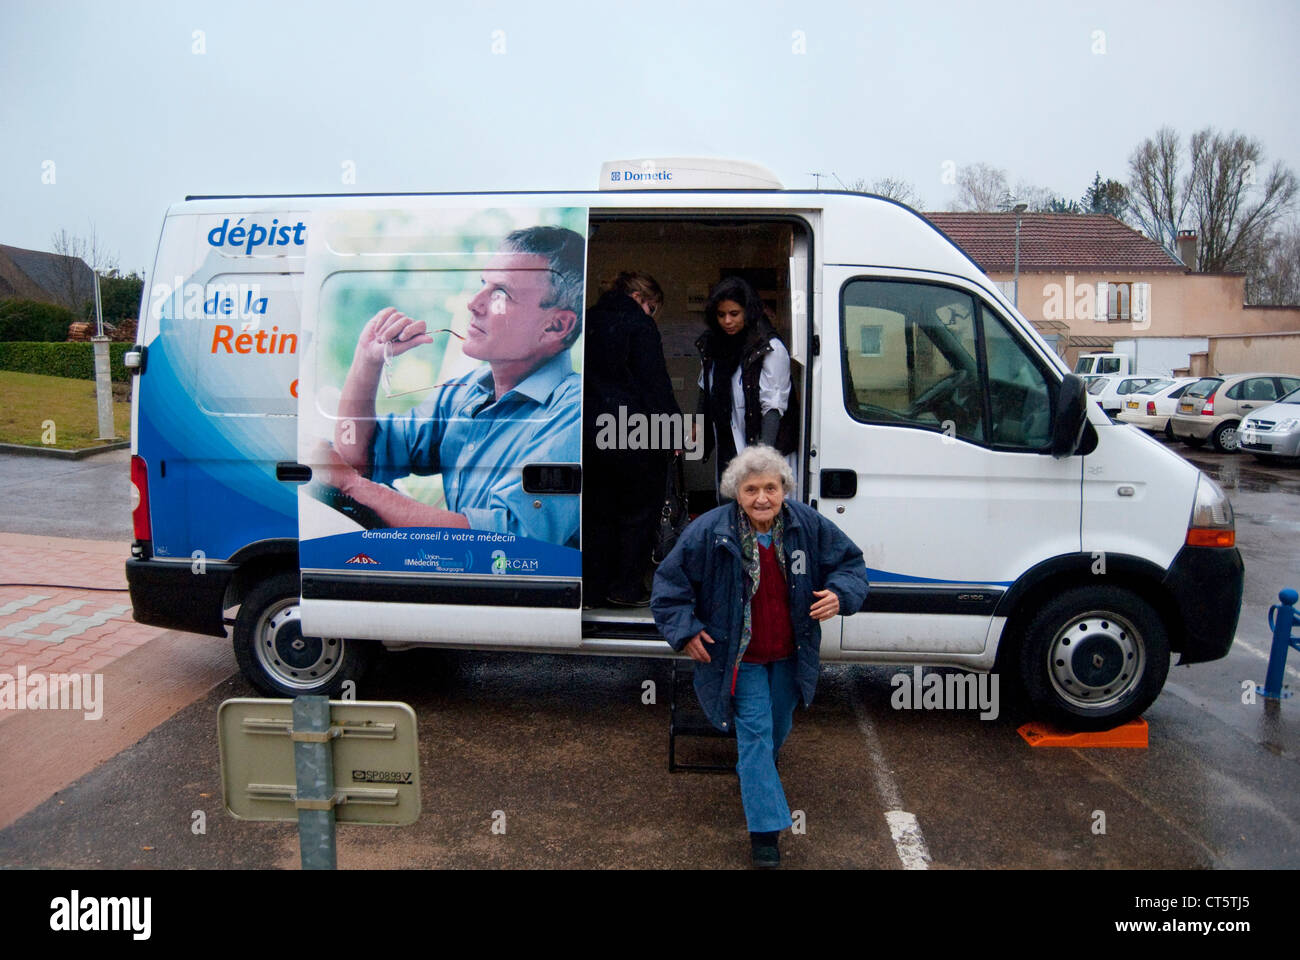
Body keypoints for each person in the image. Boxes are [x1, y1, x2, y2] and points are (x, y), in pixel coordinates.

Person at [650, 445, 869, 868]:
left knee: (776, 730)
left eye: (771, 487)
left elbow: (851, 564)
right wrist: (686, 630)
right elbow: (668, 587)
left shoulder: (806, 525)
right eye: (752, 490)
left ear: (784, 489)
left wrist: (840, 594)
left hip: (790, 654)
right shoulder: (711, 531)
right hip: (740, 657)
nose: (762, 498)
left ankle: (755, 777)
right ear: (737, 493)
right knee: (754, 734)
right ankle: (765, 838)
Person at [319, 225, 585, 547]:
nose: (474, 302)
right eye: (483, 285)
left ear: (555, 325)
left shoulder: (574, 412)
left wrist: (352, 486)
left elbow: (509, 542)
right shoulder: (465, 393)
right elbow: (357, 456)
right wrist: (367, 361)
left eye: (501, 294)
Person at [582, 271, 681, 606]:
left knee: (597, 513)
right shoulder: (639, 325)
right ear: (641, 297)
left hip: (588, 434)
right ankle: (625, 588)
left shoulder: (588, 320)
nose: (651, 314)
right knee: (638, 514)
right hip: (632, 434)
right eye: (652, 307)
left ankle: (593, 589)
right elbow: (655, 384)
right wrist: (673, 430)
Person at [695, 276, 798, 489]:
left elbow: (773, 406)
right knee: (728, 502)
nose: (727, 321)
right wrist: (698, 420)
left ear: (748, 312)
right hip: (727, 440)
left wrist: (761, 460)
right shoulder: (714, 344)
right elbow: (706, 384)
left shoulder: (770, 347)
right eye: (721, 315)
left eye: (734, 314)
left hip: (759, 446)